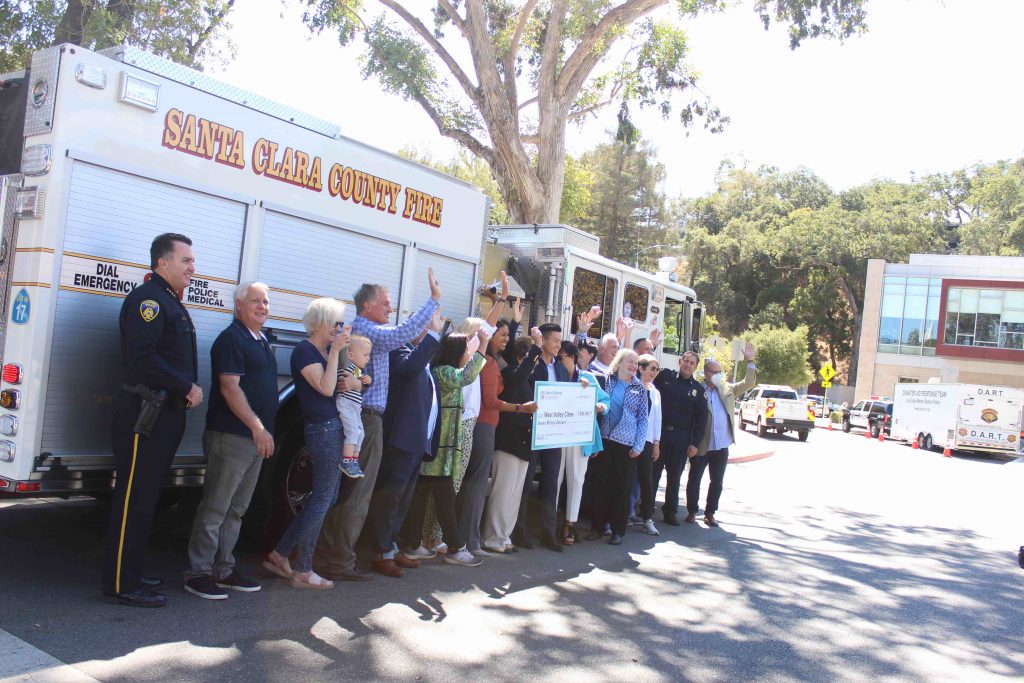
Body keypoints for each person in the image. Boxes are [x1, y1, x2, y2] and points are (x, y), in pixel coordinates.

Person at [314, 269, 441, 581]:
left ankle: (333, 554)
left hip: (369, 421)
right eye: (385, 303)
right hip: (366, 421)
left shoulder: (369, 331)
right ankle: (339, 560)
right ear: (367, 306)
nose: (390, 308)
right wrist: (433, 301)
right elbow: (402, 333)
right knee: (357, 495)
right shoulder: (367, 330)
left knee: (351, 492)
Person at [103, 233, 202, 608]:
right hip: (145, 417)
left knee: (146, 499)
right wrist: (186, 386)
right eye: (186, 260)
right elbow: (142, 358)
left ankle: (132, 573)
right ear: (162, 263)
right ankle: (120, 583)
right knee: (133, 499)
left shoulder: (168, 302)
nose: (193, 267)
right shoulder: (149, 301)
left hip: (164, 416)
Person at [184, 282, 277, 600]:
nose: (263, 306)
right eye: (255, 301)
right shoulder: (231, 339)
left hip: (253, 440)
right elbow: (229, 388)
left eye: (266, 301)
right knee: (216, 508)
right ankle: (197, 573)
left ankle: (223, 569)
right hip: (232, 436)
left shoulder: (261, 340)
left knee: (236, 510)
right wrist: (258, 427)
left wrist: (263, 432)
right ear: (238, 305)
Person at [263, 298, 352, 590]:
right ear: (321, 322)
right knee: (322, 498)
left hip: (331, 427)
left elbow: (336, 385)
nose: (339, 329)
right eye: (336, 323)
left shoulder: (323, 352)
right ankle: (302, 568)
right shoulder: (305, 351)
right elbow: (325, 388)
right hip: (323, 429)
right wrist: (337, 351)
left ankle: (280, 554)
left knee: (326, 497)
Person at [365, 309, 444, 577]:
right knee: (390, 497)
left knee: (403, 499)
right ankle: (380, 550)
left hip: (415, 439)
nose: (430, 327)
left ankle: (391, 546)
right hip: (400, 439)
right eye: (423, 324)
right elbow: (408, 368)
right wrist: (433, 334)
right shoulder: (399, 351)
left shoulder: (422, 357)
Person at [403, 331, 488, 567]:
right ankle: (456, 548)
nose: (468, 353)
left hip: (434, 449)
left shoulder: (439, 371)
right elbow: (467, 376)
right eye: (465, 350)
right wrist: (484, 345)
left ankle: (413, 544)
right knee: (445, 501)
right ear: (456, 352)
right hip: (438, 451)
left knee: (421, 498)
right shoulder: (444, 373)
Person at [687, 343, 757, 527]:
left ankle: (710, 513)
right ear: (706, 373)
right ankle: (692, 511)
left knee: (716, 481)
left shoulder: (727, 389)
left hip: (721, 445)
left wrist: (750, 361)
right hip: (702, 444)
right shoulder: (697, 389)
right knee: (694, 479)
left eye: (720, 371)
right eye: (715, 371)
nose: (718, 374)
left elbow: (749, 383)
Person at [481, 335, 540, 553]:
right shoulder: (509, 373)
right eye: (529, 359)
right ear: (519, 357)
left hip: (525, 441)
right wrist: (536, 348)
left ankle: (505, 535)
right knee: (502, 490)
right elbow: (519, 375)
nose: (533, 366)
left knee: (515, 492)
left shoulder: (529, 380)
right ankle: (492, 537)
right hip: (508, 440)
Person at [514, 323, 569, 553]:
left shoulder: (563, 370)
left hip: (554, 434)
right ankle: (519, 531)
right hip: (533, 431)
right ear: (543, 341)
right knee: (526, 483)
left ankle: (549, 533)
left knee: (550, 483)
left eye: (559, 341)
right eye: (555, 340)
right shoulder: (534, 366)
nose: (558, 345)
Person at [588, 349, 648, 545]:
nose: (633, 366)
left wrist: (639, 446)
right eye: (630, 361)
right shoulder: (607, 380)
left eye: (635, 363)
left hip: (626, 445)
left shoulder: (639, 388)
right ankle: (597, 527)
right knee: (600, 485)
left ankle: (617, 531)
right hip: (604, 440)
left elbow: (643, 419)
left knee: (621, 489)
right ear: (619, 362)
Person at [555, 341, 609, 545]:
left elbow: (606, 402)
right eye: (558, 357)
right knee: (555, 479)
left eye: (562, 357)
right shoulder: (555, 375)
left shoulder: (587, 378)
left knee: (577, 479)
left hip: (579, 437)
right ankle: (551, 522)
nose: (559, 360)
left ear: (572, 357)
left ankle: (570, 523)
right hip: (557, 436)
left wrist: (598, 406)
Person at [652, 351, 706, 526]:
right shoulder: (665, 377)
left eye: (692, 363)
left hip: (681, 438)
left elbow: (701, 420)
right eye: (686, 361)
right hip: (660, 434)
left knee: (674, 477)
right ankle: (646, 510)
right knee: (653, 474)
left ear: (695, 367)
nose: (688, 365)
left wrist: (695, 443)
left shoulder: (698, 390)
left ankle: (670, 512)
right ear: (680, 361)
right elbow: (649, 372)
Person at [335, 335, 372, 479]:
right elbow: (342, 378)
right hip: (346, 404)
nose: (368, 358)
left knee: (360, 434)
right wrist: (358, 381)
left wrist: (366, 381)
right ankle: (346, 461)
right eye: (365, 355)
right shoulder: (347, 368)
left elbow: (360, 384)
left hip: (355, 407)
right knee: (353, 433)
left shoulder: (357, 370)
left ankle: (354, 461)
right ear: (351, 355)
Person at [636, 354, 662, 537]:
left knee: (647, 481)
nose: (654, 372)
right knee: (623, 481)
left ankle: (647, 519)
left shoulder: (655, 391)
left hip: (646, 442)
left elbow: (656, 419)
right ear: (641, 368)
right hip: (629, 440)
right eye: (652, 368)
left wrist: (656, 443)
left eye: (657, 369)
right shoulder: (633, 386)